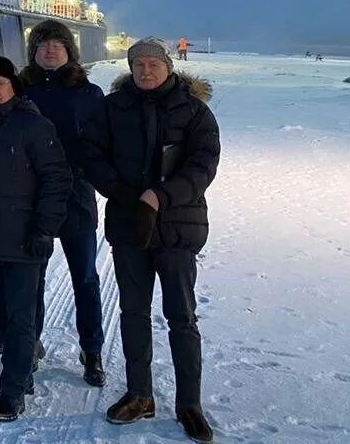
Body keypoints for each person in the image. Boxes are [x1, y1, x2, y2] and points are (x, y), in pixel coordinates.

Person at [82, 38, 220, 444]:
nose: (145, 71)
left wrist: (160, 195)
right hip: (129, 225)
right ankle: (139, 393)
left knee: (182, 316)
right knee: (133, 311)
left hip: (178, 226)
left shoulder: (194, 110)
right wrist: (125, 193)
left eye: (152, 64)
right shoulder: (112, 108)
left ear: (168, 67)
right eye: (138, 64)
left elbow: (203, 164)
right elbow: (91, 155)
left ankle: (189, 403)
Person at [0, 55, 71, 423]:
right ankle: (16, 373)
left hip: (25, 239)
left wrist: (45, 229)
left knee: (21, 316)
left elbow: (57, 180)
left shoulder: (33, 126)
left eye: (0, 84)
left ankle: (13, 392)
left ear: (13, 88)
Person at [20, 19, 107, 386]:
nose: (50, 50)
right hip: (31, 196)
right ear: (34, 53)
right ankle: (30, 345)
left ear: (70, 51)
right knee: (31, 278)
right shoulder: (20, 91)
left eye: (57, 45)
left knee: (85, 277)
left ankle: (92, 350)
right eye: (43, 46)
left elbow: (105, 142)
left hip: (76, 196)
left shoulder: (89, 93)